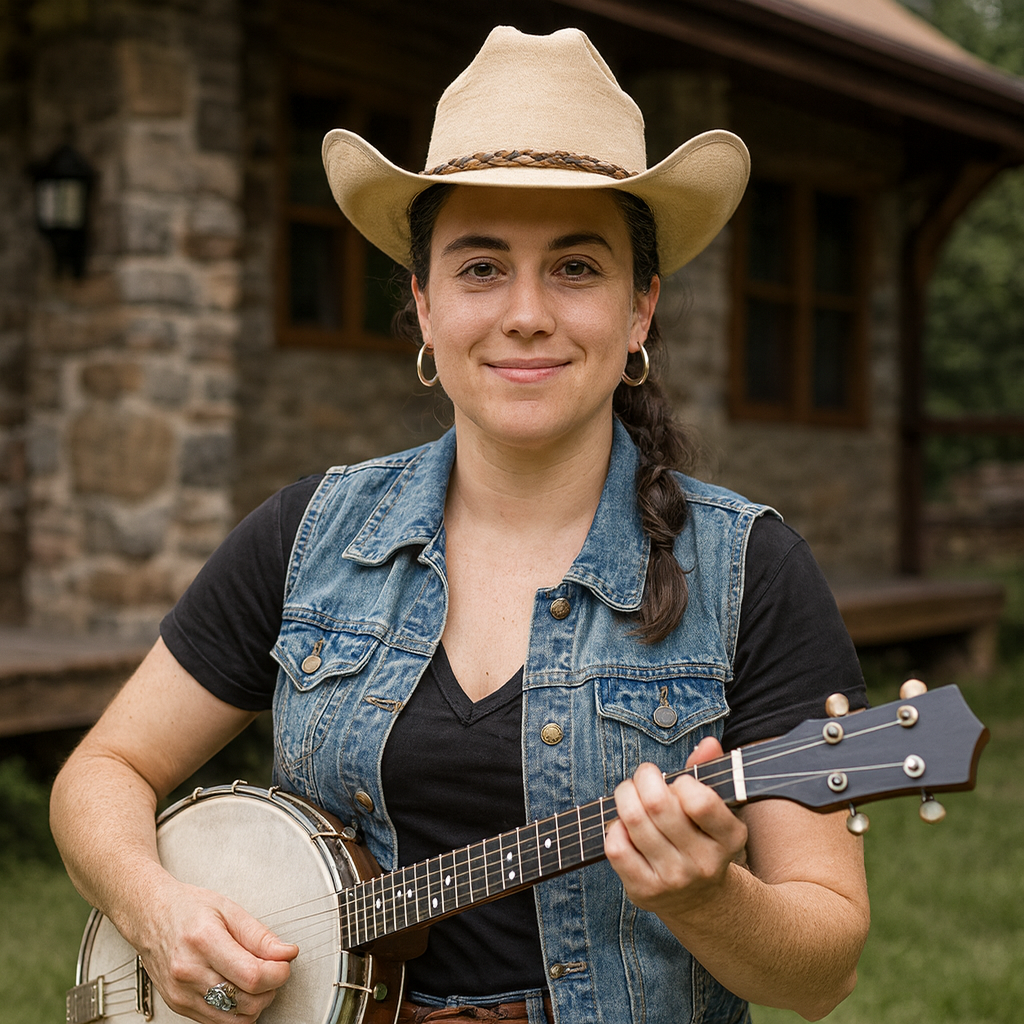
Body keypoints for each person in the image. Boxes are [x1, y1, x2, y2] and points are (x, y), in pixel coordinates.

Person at [51, 25, 869, 1024]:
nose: (525, 312)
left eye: (576, 267)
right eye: (481, 267)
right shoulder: (308, 536)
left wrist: (709, 899)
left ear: (640, 310)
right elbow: (102, 771)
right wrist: (156, 908)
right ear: (425, 307)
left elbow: (822, 971)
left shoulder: (751, 571)